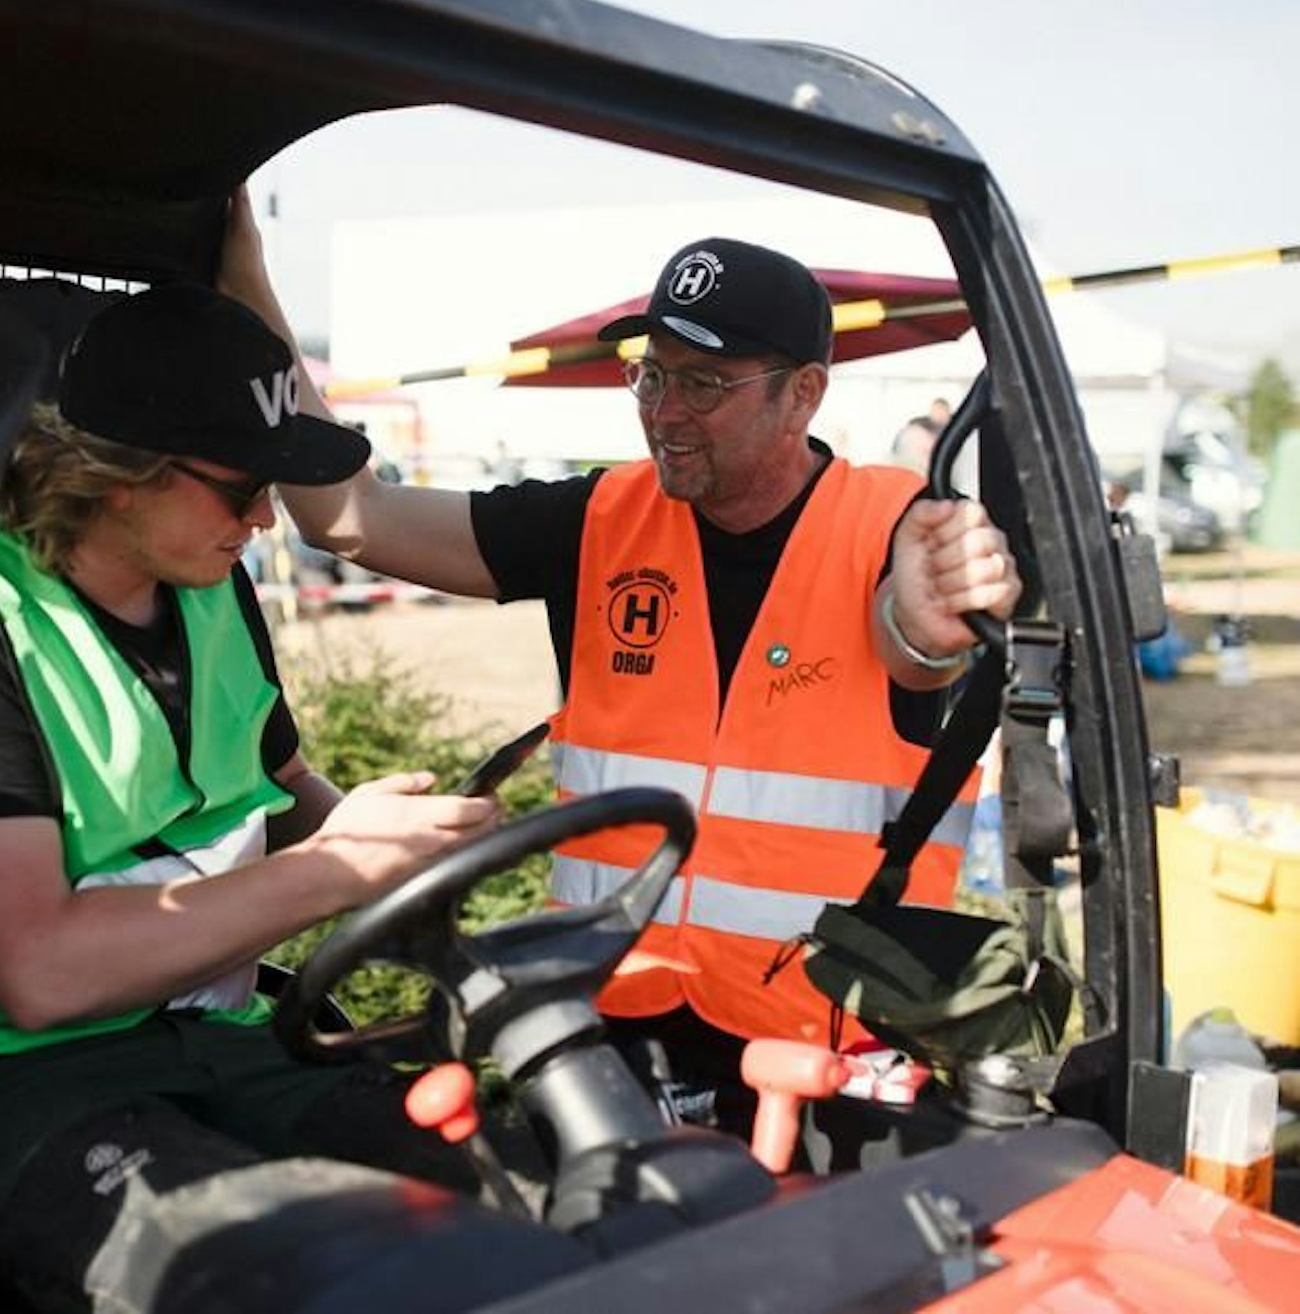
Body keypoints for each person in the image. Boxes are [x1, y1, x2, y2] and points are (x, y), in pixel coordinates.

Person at [222, 202, 1022, 1132]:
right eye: (650, 377)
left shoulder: (894, 530)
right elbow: (351, 516)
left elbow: (915, 650)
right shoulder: (601, 517)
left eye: (705, 384)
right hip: (611, 1027)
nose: (665, 414)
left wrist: (929, 631)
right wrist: (248, 287)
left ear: (803, 393)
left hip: (828, 1052)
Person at [0, 283, 496, 1310]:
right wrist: (336, 868)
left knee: (491, 1192)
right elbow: (39, 972)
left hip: (202, 1040)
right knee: (271, 1275)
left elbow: (279, 787)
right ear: (115, 475)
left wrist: (407, 846)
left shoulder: (210, 590)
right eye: (242, 485)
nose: (263, 517)